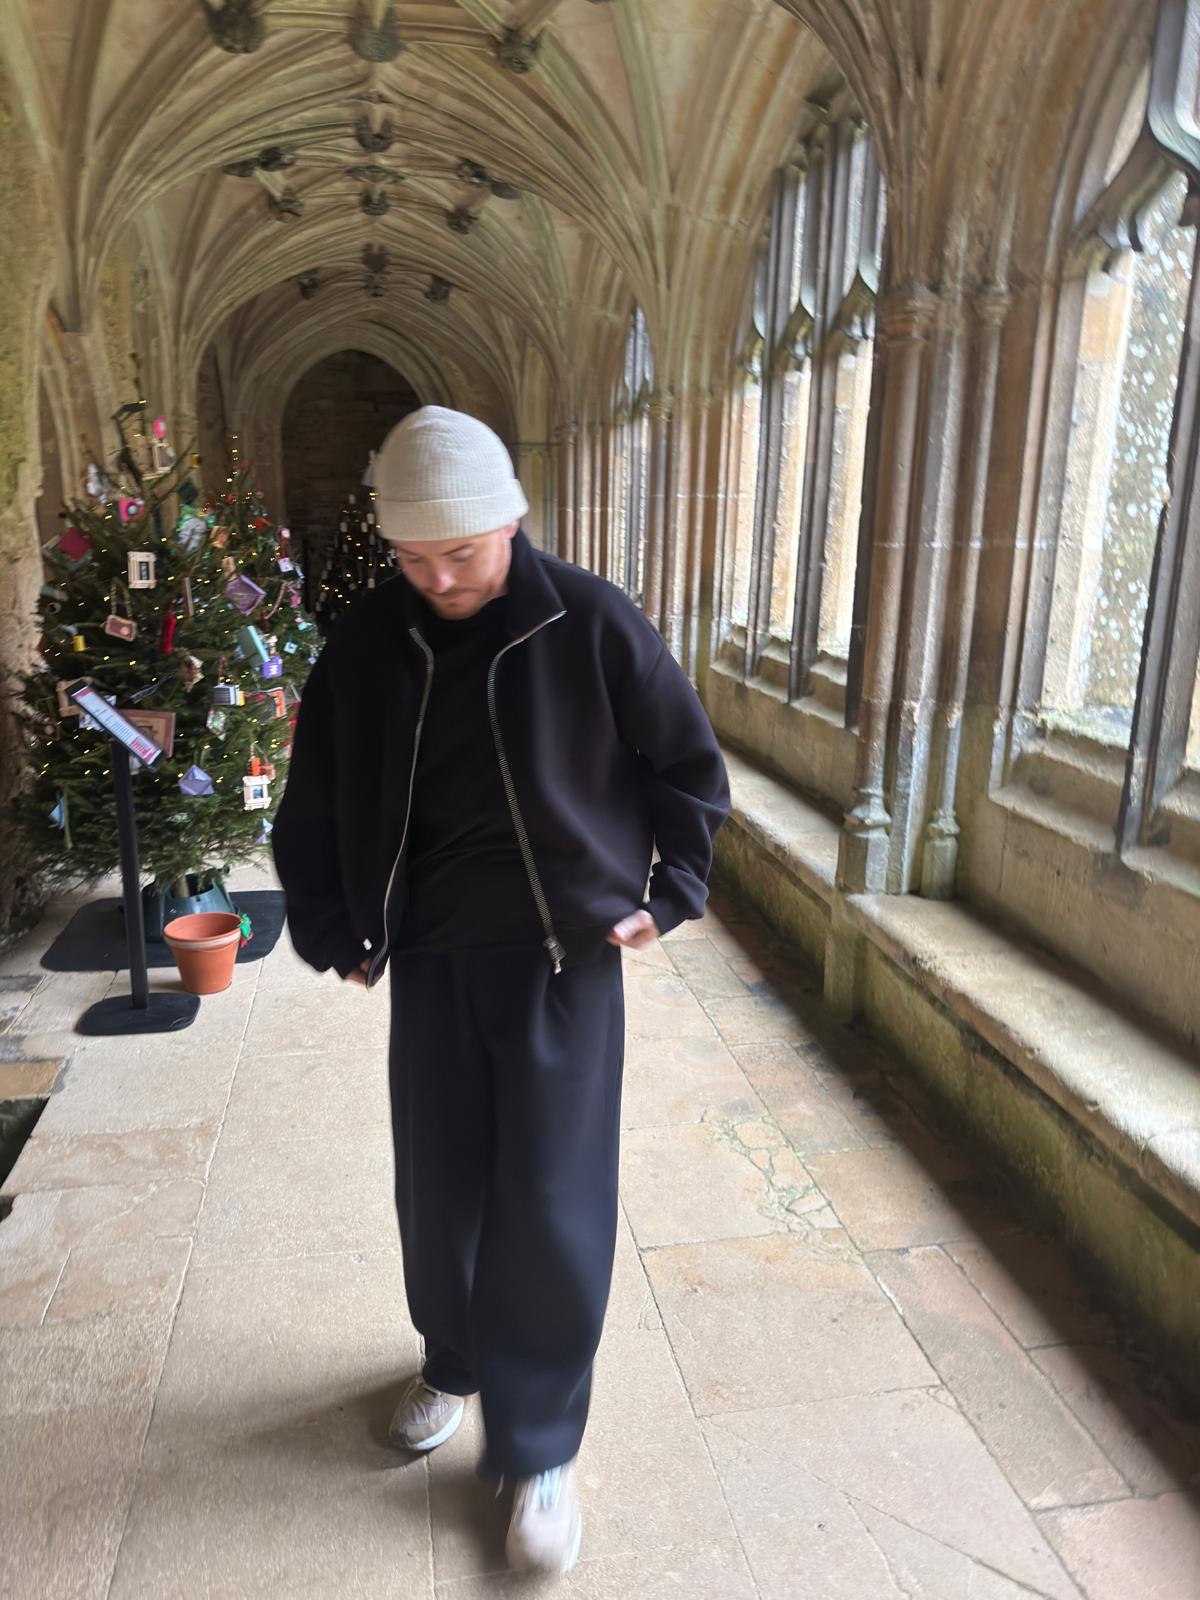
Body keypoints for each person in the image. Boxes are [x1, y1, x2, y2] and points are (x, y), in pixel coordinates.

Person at [272, 406, 729, 1575]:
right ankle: (453, 1357)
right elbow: (313, 796)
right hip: (427, 956)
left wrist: (671, 888)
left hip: (562, 961)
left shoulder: (590, 619)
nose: (439, 579)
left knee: (551, 1198)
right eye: (414, 559)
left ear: (512, 522)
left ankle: (537, 1445)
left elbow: (684, 760)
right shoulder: (371, 639)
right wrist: (333, 925)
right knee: (440, 1186)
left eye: (460, 554)